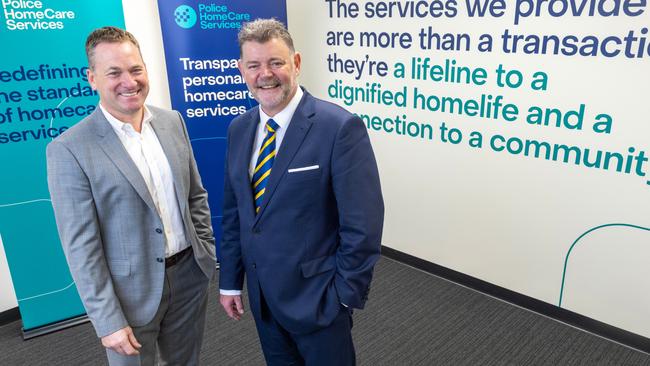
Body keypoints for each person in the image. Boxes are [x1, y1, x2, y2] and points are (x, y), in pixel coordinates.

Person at [46, 26, 216, 366]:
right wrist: (107, 319)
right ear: (92, 78)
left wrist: (205, 252)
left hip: (188, 276)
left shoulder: (172, 122)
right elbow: (81, 245)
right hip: (128, 294)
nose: (129, 81)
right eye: (114, 73)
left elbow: (195, 196)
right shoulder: (69, 149)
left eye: (136, 69)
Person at [219, 19, 384, 366]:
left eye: (276, 62)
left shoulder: (338, 127)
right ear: (241, 71)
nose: (265, 74)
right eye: (254, 65)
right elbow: (236, 213)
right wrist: (231, 282)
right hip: (264, 301)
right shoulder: (239, 129)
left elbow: (363, 223)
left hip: (319, 302)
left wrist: (343, 296)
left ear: (295, 63)